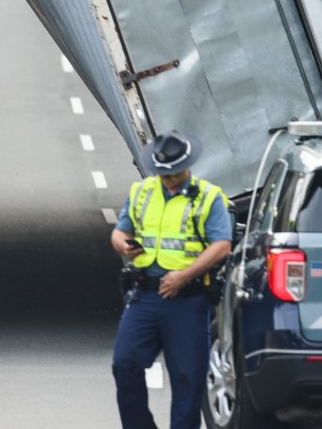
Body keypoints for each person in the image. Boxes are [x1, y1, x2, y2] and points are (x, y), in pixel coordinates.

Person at [111, 129, 232, 429]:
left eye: (172, 173)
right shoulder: (142, 192)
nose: (166, 178)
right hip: (145, 296)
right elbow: (120, 231)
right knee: (125, 363)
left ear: (186, 166)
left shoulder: (208, 198)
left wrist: (184, 276)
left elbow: (222, 246)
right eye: (162, 172)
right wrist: (123, 245)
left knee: (187, 379)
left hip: (188, 301)